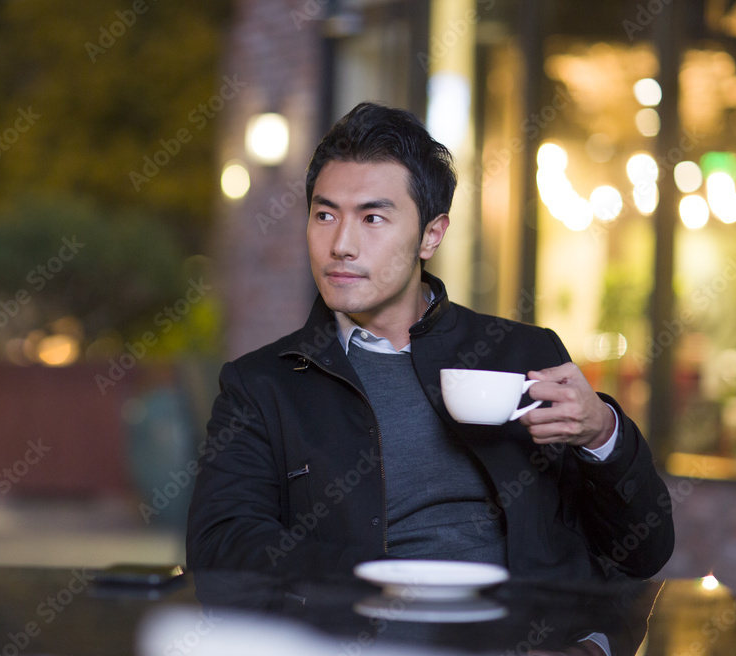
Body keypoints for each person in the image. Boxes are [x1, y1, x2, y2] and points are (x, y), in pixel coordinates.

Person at [186, 102, 674, 581]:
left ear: (431, 236)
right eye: (325, 215)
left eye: (372, 218)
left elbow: (643, 553)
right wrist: (377, 578)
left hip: (528, 644)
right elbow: (221, 547)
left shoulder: (522, 355)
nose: (341, 245)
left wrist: (603, 434)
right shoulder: (263, 385)